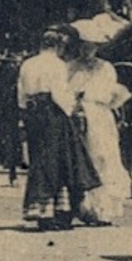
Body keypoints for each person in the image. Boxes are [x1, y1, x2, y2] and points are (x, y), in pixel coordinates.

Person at [16, 24, 98, 230]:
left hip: (33, 114)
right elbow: (59, 94)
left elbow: (21, 93)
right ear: (58, 46)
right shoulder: (57, 65)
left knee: (39, 159)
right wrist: (71, 109)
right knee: (56, 161)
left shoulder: (28, 64)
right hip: (53, 114)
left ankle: (40, 208)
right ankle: (54, 212)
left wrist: (25, 110)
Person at [65, 14, 132, 225]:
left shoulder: (106, 68)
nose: (87, 51)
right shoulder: (71, 67)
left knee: (104, 157)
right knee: (83, 160)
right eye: (84, 46)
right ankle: (84, 208)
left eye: (92, 47)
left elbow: (111, 93)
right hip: (79, 115)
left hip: (100, 117)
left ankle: (104, 209)